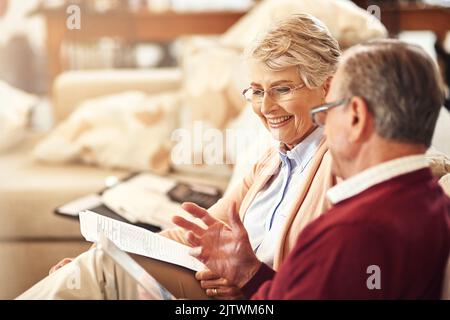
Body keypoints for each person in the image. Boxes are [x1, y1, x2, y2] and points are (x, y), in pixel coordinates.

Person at [17, 14, 341, 300]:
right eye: (257, 91)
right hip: (222, 286)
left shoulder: (338, 163)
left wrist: (249, 278)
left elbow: (323, 281)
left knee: (100, 272)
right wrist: (107, 253)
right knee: (97, 267)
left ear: (327, 88)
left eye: (282, 89)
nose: (266, 107)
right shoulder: (270, 160)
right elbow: (196, 232)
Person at [174, 39, 450, 299]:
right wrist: (250, 274)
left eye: (329, 108)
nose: (323, 123)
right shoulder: (435, 203)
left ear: (356, 115)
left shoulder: (347, 233)